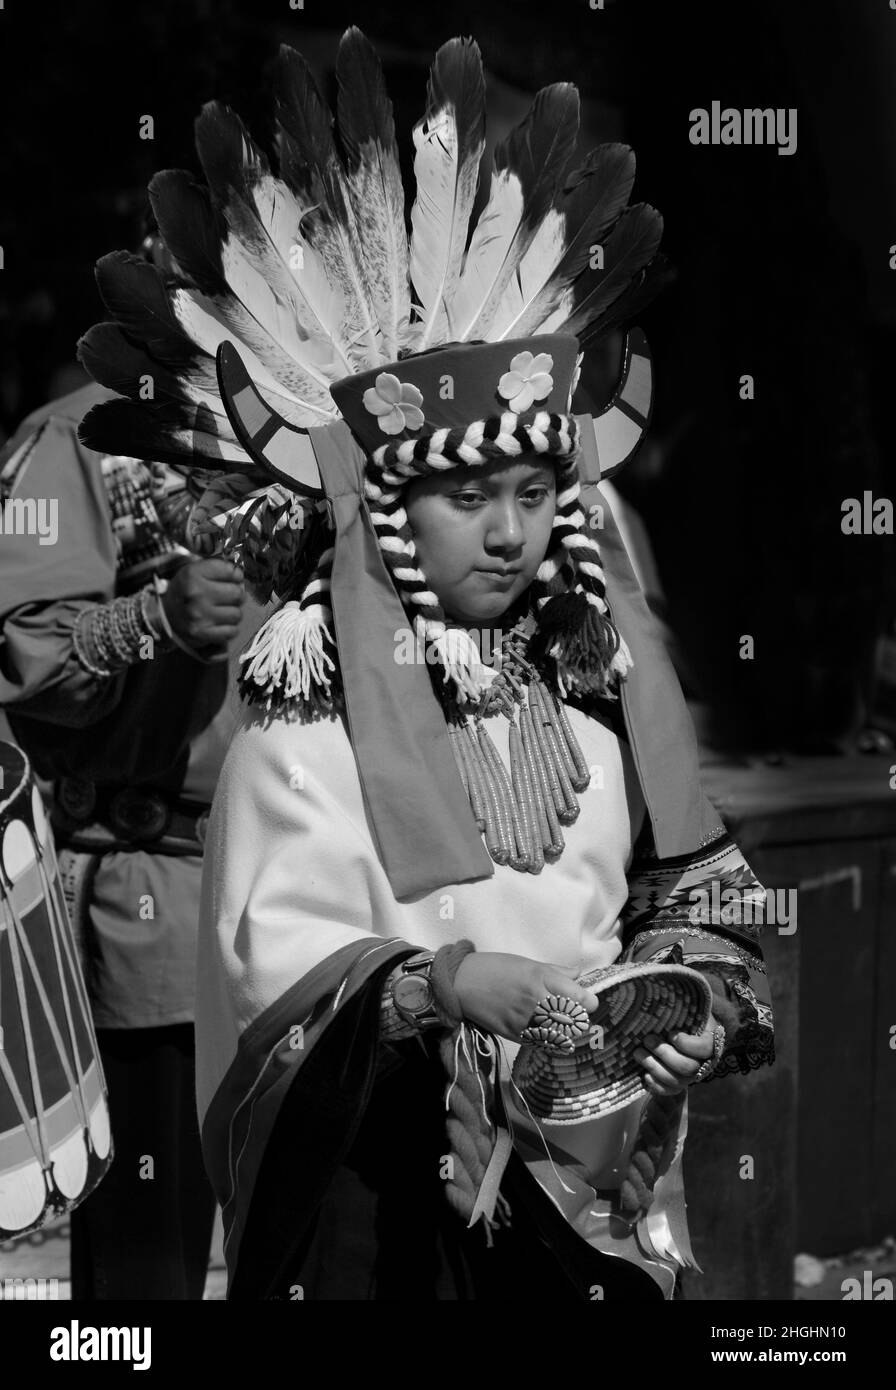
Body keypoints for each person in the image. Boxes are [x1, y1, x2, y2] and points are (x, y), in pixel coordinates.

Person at [77, 28, 775, 1300]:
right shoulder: (308, 716)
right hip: (381, 1207)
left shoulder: (596, 688)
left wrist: (690, 1014)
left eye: (528, 489)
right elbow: (269, 965)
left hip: (586, 1187)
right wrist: (452, 984)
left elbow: (696, 898)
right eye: (466, 499)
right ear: (387, 514)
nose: (507, 530)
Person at [0, 355, 263, 1298]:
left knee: (331, 1238)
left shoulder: (325, 429)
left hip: (331, 907)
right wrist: (156, 618)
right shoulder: (81, 436)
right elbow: (23, 652)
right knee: (148, 1270)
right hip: (162, 910)